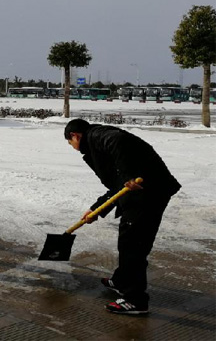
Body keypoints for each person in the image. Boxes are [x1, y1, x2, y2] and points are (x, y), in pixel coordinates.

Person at [64, 118, 181, 315]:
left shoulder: (98, 136)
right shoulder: (96, 143)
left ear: (75, 136)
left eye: (70, 142)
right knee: (128, 241)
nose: (72, 147)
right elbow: (117, 186)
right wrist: (96, 209)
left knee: (133, 245)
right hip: (143, 192)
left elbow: (117, 141)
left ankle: (135, 300)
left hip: (148, 193)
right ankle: (122, 281)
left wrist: (128, 176)